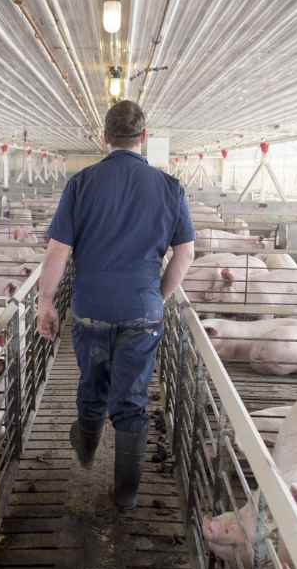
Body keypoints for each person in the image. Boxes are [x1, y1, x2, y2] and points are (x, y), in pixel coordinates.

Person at [35, 100, 196, 511]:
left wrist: (46, 302)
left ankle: (86, 454)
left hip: (91, 308)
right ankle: (125, 494)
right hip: (142, 310)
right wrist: (157, 297)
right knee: (132, 400)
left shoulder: (82, 183)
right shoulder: (170, 187)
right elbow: (185, 254)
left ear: (104, 137)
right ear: (144, 137)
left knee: (92, 386)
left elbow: (57, 251)